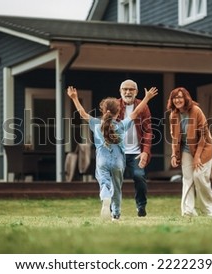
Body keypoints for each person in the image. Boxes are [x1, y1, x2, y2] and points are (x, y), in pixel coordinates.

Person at [67, 86, 158, 221]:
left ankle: (105, 197)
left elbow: (82, 113)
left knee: (104, 182)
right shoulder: (121, 126)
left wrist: (74, 98)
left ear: (103, 111)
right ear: (118, 111)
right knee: (117, 187)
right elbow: (136, 112)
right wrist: (147, 98)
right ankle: (115, 214)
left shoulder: (97, 124)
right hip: (118, 161)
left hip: (102, 160)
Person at [166, 87, 212, 217]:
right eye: (175, 98)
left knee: (199, 177)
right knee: (187, 178)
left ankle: (208, 209)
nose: (177, 100)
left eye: (180, 97)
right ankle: (188, 211)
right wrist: (174, 154)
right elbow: (174, 137)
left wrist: (197, 157)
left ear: (186, 98)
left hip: (204, 147)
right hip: (186, 149)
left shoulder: (196, 110)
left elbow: (204, 135)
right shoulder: (173, 114)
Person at [117, 79, 155, 217]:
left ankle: (141, 206)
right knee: (115, 180)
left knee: (139, 176)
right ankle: (114, 209)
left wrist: (145, 151)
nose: (127, 92)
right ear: (120, 91)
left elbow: (148, 131)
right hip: (118, 152)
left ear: (136, 92)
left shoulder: (143, 106)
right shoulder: (115, 105)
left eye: (131, 89)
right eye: (124, 89)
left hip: (136, 152)